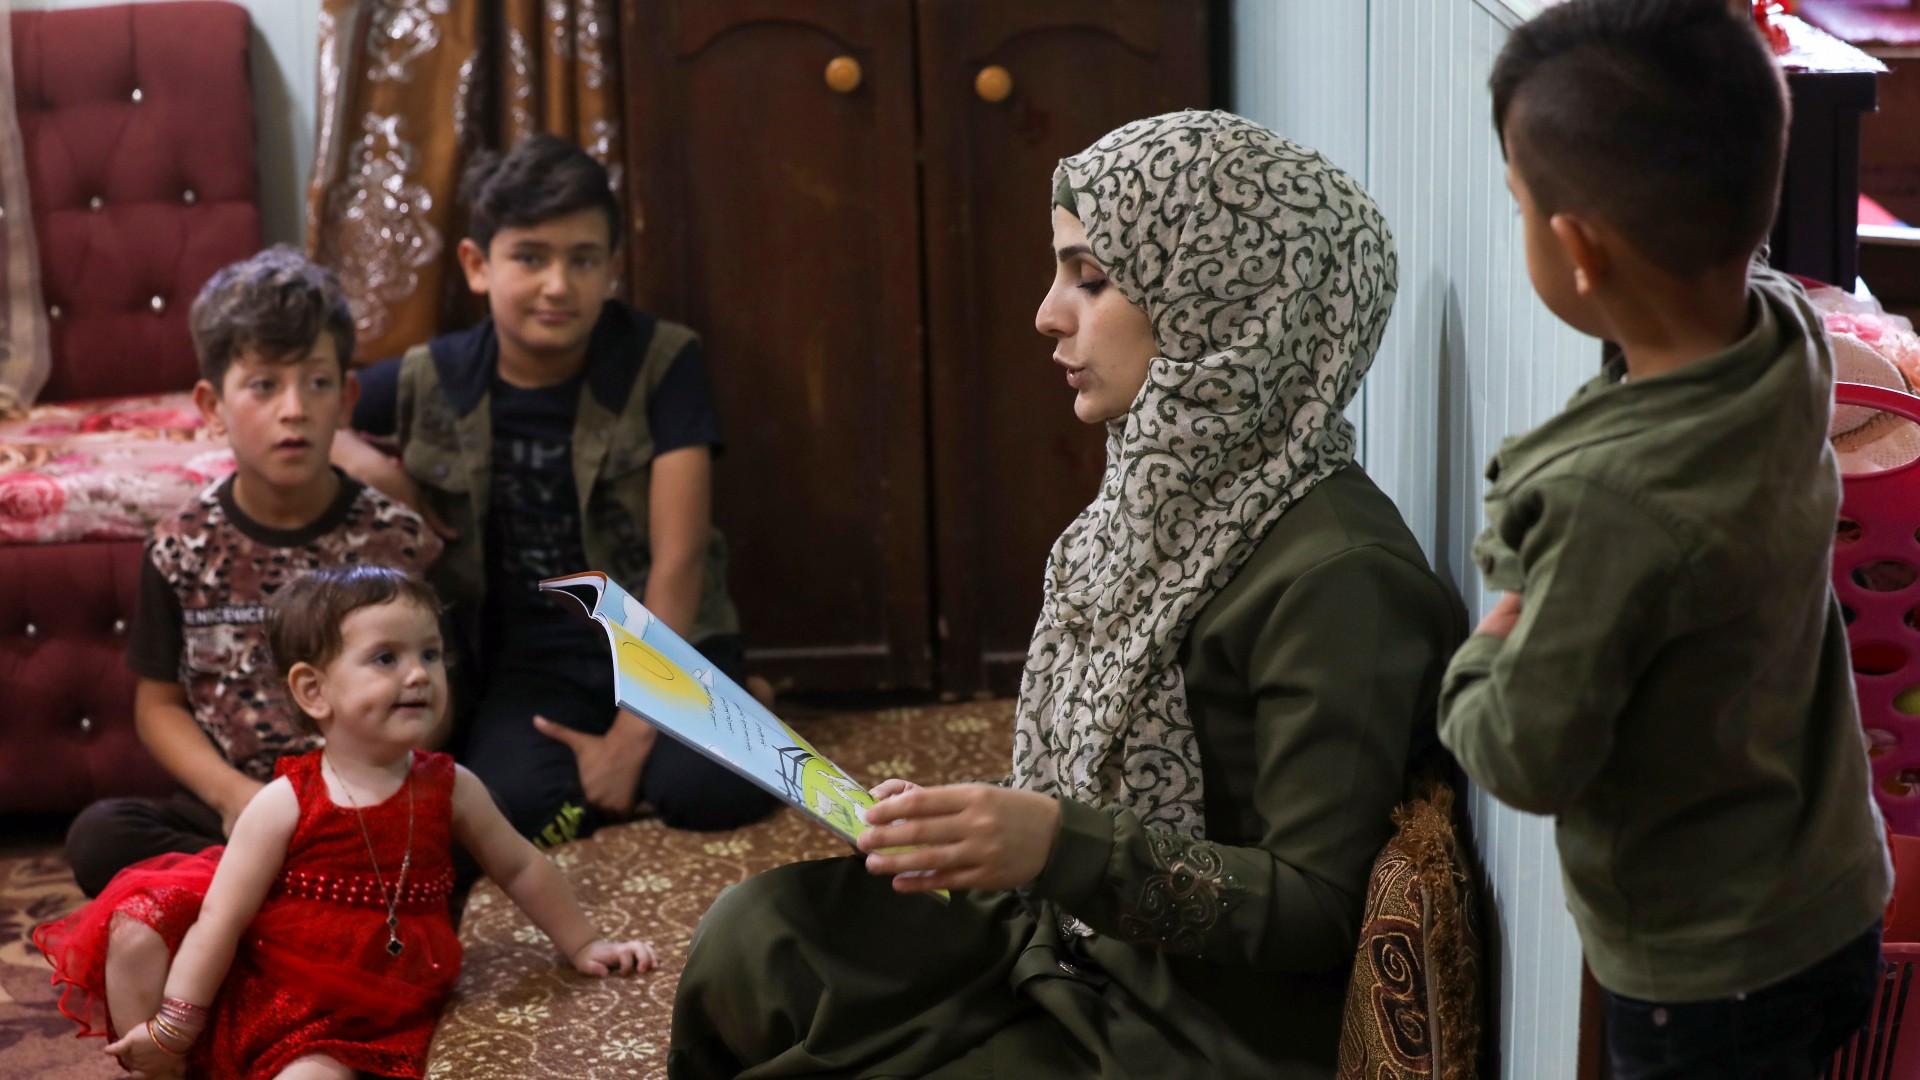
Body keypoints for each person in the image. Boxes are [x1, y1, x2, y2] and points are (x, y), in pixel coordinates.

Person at [668, 110, 1464, 1079]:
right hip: (1070, 932)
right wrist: (986, 827)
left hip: (1180, 1022)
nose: (1049, 313)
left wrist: (1055, 843)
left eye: (1092, 279)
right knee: (756, 937)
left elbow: (1317, 910)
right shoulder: (1170, 491)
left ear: (1227, 298)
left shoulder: (1343, 578)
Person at [1437, 2, 1891, 1077]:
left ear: (1578, 249)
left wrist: (1480, 656)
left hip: (1706, 980)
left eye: (1519, 203)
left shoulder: (1609, 507)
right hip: (1834, 899)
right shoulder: (1787, 338)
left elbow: (1524, 754)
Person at [35, 565, 657, 1080]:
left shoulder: (451, 787)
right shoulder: (285, 801)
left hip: (381, 1001)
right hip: (281, 989)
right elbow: (221, 922)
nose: (418, 674)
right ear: (313, 693)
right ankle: (163, 1064)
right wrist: (179, 1022)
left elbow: (522, 865)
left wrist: (583, 943)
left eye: (431, 654)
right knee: (136, 930)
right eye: (386, 658)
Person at [337, 135, 777, 848]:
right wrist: (376, 468)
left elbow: (680, 563)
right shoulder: (434, 377)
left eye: (582, 259)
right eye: (530, 258)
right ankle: (632, 760)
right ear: (479, 266)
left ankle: (737, 702)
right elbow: (323, 411)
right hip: (532, 659)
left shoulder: (663, 362)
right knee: (512, 808)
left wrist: (632, 739)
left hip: (662, 635)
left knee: (702, 794)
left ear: (611, 267)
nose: (557, 285)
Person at [63, 248, 442, 898]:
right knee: (101, 837)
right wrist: (234, 796)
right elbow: (158, 707)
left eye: (317, 383)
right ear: (213, 405)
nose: (293, 409)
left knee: (464, 824)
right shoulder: (181, 545)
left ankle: (262, 901)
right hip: (230, 810)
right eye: (264, 386)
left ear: (346, 398)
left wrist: (359, 789)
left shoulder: (396, 540)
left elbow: (431, 692)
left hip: (370, 802)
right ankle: (295, 894)